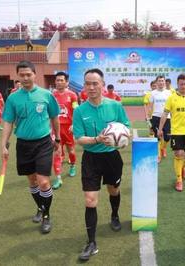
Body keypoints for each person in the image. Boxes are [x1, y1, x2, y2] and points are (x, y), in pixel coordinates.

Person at [73, 68, 130, 261]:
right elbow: (79, 138)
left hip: (112, 157)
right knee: (90, 200)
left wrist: (121, 138)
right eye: (87, 83)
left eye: (95, 83)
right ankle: (91, 242)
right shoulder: (80, 111)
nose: (91, 87)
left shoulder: (115, 106)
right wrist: (97, 139)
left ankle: (114, 215)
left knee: (113, 190)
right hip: (91, 159)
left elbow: (127, 127)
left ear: (103, 85)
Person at [1, 60, 61, 234]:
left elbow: (55, 118)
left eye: (29, 74)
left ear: (35, 75)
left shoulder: (46, 95)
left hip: (43, 143)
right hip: (23, 145)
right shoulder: (13, 98)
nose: (26, 78)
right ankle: (40, 207)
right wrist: (4, 145)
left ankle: (46, 216)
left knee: (43, 181)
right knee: (32, 181)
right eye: (22, 75)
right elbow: (8, 122)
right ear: (17, 76)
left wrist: (57, 138)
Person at [157, 74, 185, 192]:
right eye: (181, 84)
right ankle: (179, 180)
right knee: (179, 154)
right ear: (177, 84)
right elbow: (165, 114)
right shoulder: (171, 98)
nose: (184, 86)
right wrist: (160, 129)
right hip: (177, 132)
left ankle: (181, 168)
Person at [51, 71, 79, 190]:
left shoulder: (72, 95)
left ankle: (72, 165)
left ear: (66, 82)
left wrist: (75, 125)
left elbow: (76, 111)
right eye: (57, 80)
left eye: (62, 80)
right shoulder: (51, 95)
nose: (59, 82)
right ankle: (58, 178)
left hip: (68, 128)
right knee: (56, 153)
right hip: (55, 128)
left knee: (71, 151)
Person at [148, 75, 172, 162]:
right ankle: (158, 156)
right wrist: (149, 118)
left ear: (165, 82)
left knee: (167, 138)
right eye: (159, 81)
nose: (161, 82)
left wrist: (173, 116)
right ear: (156, 82)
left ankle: (163, 148)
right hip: (156, 117)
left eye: (162, 81)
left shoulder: (169, 93)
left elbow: (172, 106)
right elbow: (150, 106)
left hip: (167, 117)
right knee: (157, 137)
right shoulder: (153, 93)